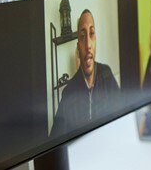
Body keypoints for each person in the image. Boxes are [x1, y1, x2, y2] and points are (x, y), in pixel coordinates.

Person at [51, 9, 121, 137]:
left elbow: (122, 122)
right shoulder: (69, 93)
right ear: (78, 47)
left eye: (92, 33)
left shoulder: (107, 75)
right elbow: (53, 143)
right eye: (82, 36)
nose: (88, 44)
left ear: (96, 41)